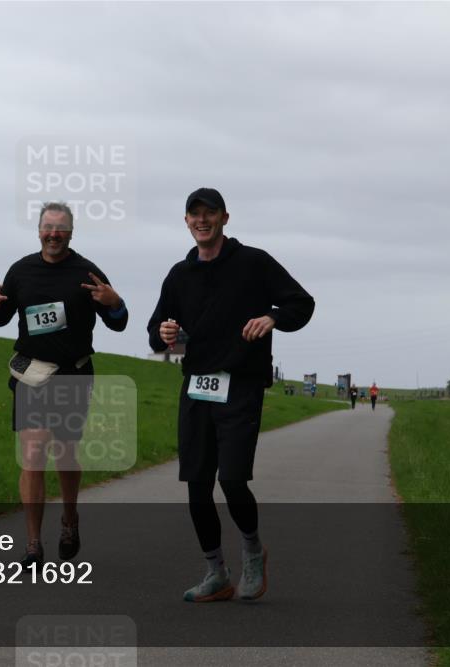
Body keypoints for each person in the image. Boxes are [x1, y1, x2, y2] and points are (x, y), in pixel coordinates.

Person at [148, 187, 314, 602]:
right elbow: (157, 332)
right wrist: (165, 335)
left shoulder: (253, 263)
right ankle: (216, 572)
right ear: (186, 221)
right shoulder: (178, 275)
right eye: (194, 214)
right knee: (197, 486)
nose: (201, 220)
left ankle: (253, 552)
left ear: (225, 217)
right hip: (197, 387)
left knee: (233, 479)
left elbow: (302, 303)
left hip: (240, 384)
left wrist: (272, 316)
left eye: (210, 213)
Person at [0, 202, 128, 568]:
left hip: (73, 374)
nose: (53, 234)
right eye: (48, 227)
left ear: (71, 233)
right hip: (32, 374)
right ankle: (32, 544)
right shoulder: (21, 271)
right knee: (32, 454)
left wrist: (115, 302)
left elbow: (119, 323)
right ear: (39, 230)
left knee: (64, 453)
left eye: (61, 228)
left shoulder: (86, 271)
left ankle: (70, 519)